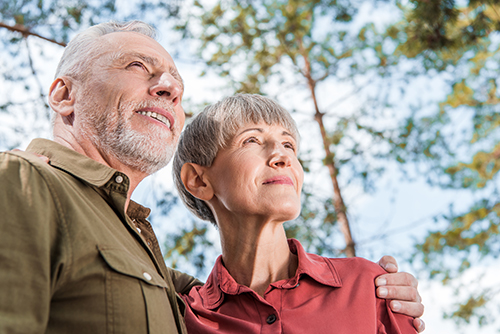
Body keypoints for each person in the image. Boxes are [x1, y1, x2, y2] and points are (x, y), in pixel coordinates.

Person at [0, 21, 423, 333]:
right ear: (63, 94)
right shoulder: (20, 183)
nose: (169, 87)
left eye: (175, 82)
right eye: (136, 65)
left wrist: (378, 292)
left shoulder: (159, 269)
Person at [173, 94, 421, 333]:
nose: (283, 156)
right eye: (252, 140)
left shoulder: (370, 285)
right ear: (198, 180)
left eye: (288, 144)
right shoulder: (185, 315)